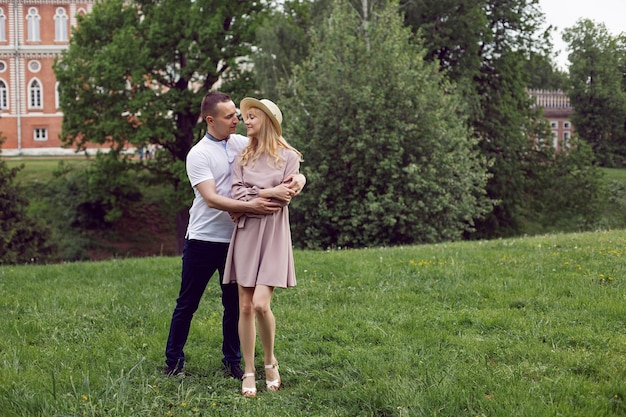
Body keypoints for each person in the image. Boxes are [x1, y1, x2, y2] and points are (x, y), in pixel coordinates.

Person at [164, 92, 305, 379]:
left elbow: (279, 150)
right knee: (187, 303)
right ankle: (173, 361)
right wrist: (253, 204)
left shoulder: (242, 143)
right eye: (230, 116)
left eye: (237, 115)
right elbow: (212, 199)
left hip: (239, 239)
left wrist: (300, 178)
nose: (237, 120)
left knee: (236, 306)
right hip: (204, 238)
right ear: (211, 120)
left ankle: (233, 362)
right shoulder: (199, 154)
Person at [222, 98, 302, 397]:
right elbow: (237, 193)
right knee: (243, 306)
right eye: (245, 117)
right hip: (246, 233)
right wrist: (268, 191)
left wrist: (256, 197)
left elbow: (284, 198)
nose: (246, 122)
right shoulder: (243, 156)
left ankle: (270, 362)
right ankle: (249, 370)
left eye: (251, 116)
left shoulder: (289, 157)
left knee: (260, 304)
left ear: (268, 119)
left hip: (273, 235)